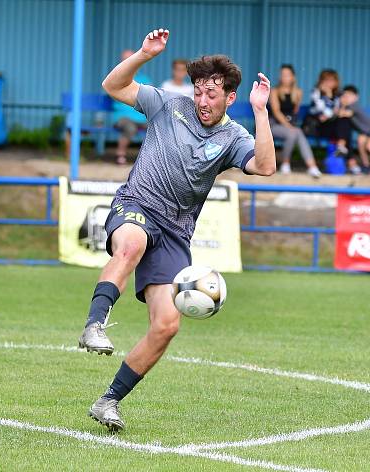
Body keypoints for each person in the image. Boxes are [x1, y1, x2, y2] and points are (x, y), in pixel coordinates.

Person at [77, 28, 276, 432]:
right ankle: (94, 324)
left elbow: (266, 166)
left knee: (167, 324)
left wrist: (261, 111)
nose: (202, 100)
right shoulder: (168, 105)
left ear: (229, 98)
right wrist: (143, 55)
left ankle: (109, 400)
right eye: (199, 91)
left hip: (174, 233)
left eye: (212, 94)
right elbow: (112, 86)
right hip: (135, 205)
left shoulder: (233, 137)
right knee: (130, 245)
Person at [268, 64, 321, 178]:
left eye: (287, 75)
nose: (284, 77)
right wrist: (289, 126)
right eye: (282, 75)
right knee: (294, 132)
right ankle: (290, 164)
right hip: (272, 126)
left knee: (295, 132)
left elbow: (294, 112)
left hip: (288, 127)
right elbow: (276, 112)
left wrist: (290, 126)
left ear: (293, 77)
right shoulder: (274, 91)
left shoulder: (298, 92)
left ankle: (310, 167)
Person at [110, 49, 153, 165]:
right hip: (122, 117)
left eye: (131, 59)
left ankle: (152, 159)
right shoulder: (115, 76)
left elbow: (151, 99)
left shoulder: (144, 79)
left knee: (158, 128)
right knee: (130, 127)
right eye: (125, 60)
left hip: (141, 117)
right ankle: (120, 154)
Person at [305, 69, 354, 168]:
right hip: (316, 127)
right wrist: (329, 96)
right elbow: (322, 109)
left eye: (332, 80)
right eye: (326, 80)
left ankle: (341, 147)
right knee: (344, 126)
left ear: (336, 82)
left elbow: (336, 112)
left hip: (331, 126)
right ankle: (351, 162)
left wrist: (338, 112)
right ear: (321, 81)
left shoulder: (338, 94)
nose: (329, 83)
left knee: (344, 121)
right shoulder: (316, 92)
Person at [337, 85, 370, 174]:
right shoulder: (350, 106)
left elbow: (342, 114)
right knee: (360, 141)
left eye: (349, 96)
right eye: (345, 96)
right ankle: (366, 165)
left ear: (356, 97)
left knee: (368, 146)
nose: (347, 98)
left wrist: (342, 105)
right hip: (365, 132)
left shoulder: (354, 106)